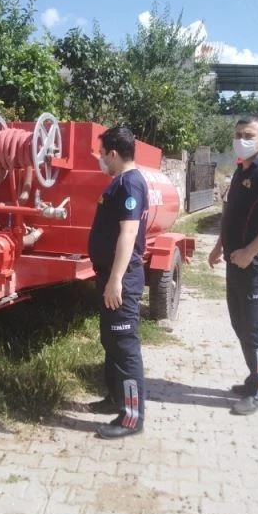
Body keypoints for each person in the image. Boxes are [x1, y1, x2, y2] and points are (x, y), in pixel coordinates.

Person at [208, 115, 258, 415]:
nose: (241, 139)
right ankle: (256, 376)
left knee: (255, 330)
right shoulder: (242, 170)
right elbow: (231, 214)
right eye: (238, 133)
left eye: (249, 134)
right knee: (240, 324)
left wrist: (249, 252)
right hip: (235, 263)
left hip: (256, 266)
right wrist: (220, 246)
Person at [87, 126, 149, 439]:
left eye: (101, 154)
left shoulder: (130, 184)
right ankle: (115, 398)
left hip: (120, 279)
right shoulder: (121, 182)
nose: (100, 159)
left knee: (124, 348)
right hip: (109, 276)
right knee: (111, 341)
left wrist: (116, 280)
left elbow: (128, 235)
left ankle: (131, 417)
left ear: (113, 153)